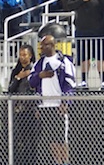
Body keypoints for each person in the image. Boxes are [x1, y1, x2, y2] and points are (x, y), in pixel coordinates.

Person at [28, 35, 76, 165]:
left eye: (45, 45)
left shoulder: (63, 61)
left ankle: (65, 162)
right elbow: (31, 81)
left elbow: (70, 83)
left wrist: (65, 101)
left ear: (53, 45)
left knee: (62, 139)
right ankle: (56, 162)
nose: (42, 47)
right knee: (51, 139)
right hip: (44, 106)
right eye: (41, 45)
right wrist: (40, 76)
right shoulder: (39, 63)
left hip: (58, 106)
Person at [63, 0, 104, 88]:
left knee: (100, 56)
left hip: (97, 29)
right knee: (84, 56)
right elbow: (69, 6)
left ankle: (103, 80)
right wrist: (82, 0)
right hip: (81, 28)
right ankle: (84, 80)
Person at [8, 44, 36, 165]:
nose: (22, 57)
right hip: (19, 110)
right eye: (20, 55)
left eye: (25, 55)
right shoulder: (16, 71)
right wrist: (18, 77)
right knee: (20, 140)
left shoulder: (35, 69)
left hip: (32, 110)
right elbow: (10, 89)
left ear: (30, 56)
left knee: (32, 141)